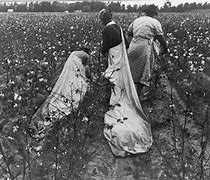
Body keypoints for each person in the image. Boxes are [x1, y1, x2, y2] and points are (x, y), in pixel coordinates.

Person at [99, 9, 153, 157]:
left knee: (113, 78)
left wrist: (101, 51)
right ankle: (117, 97)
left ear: (104, 19)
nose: (101, 21)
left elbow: (105, 47)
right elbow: (127, 44)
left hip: (114, 56)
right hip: (121, 57)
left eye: (101, 19)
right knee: (119, 77)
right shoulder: (117, 26)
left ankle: (114, 101)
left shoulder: (107, 29)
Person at [31, 47, 91, 137]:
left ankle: (43, 125)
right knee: (66, 101)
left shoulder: (72, 61)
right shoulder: (78, 57)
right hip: (71, 90)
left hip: (67, 89)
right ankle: (45, 125)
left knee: (60, 100)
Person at [127, 5, 168, 98]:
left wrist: (129, 45)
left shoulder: (137, 20)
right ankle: (138, 95)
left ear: (146, 12)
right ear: (153, 14)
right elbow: (160, 37)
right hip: (145, 46)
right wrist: (165, 47)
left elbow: (129, 33)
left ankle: (130, 93)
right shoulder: (155, 22)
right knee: (144, 71)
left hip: (134, 44)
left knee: (132, 68)